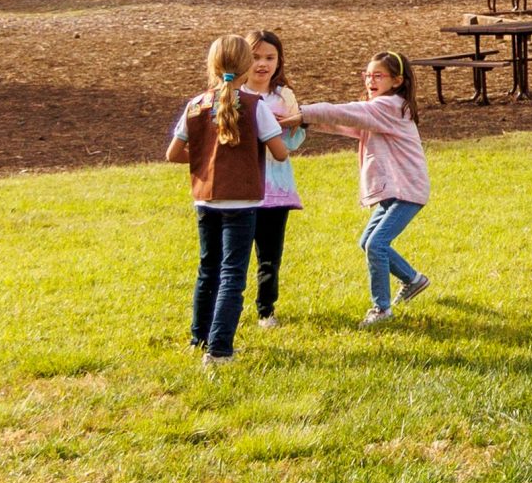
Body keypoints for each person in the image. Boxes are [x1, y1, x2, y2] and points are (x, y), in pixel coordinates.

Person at [164, 34, 290, 365]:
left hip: (206, 200)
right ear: (248, 67)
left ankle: (199, 338)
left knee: (208, 270)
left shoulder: (196, 105)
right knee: (233, 274)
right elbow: (280, 152)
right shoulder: (254, 107)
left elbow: (173, 153)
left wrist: (205, 160)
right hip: (242, 202)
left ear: (213, 66)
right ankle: (220, 349)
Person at [283, 52, 433, 327]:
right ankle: (413, 279)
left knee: (377, 244)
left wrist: (304, 113)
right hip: (395, 191)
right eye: (367, 75)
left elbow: (345, 112)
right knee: (368, 242)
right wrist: (306, 120)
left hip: (408, 191)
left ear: (397, 81)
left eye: (378, 76)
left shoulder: (389, 106)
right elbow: (347, 122)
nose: (370, 80)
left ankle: (381, 309)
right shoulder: (379, 109)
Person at [242, 30, 307, 328]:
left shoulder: (284, 96)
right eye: (255, 57)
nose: (262, 64)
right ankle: (229, 304)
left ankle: (266, 311)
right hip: (240, 187)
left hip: (276, 188)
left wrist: (284, 129)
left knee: (270, 254)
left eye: (269, 57)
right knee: (237, 253)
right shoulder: (234, 94)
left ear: (279, 61)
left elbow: (294, 141)